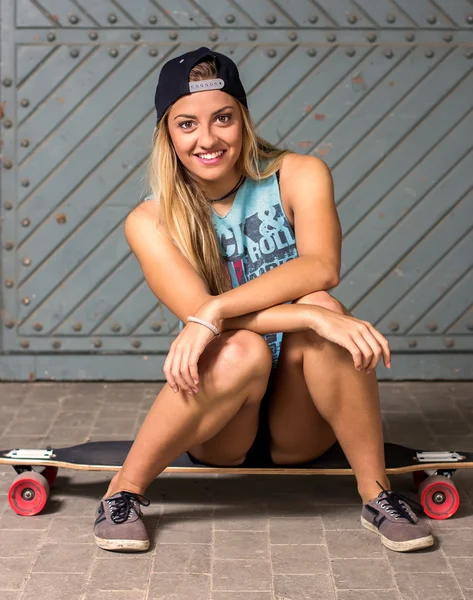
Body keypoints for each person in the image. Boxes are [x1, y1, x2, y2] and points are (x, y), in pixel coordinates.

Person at [93, 47, 434, 554]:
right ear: (167, 133)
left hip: (303, 421)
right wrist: (298, 315)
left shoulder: (299, 173)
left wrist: (224, 307)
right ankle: (122, 492)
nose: (207, 139)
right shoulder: (150, 221)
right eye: (187, 124)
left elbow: (322, 265)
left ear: (243, 119)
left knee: (322, 305)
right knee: (261, 339)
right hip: (222, 426)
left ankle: (377, 495)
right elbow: (202, 313)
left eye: (223, 118)